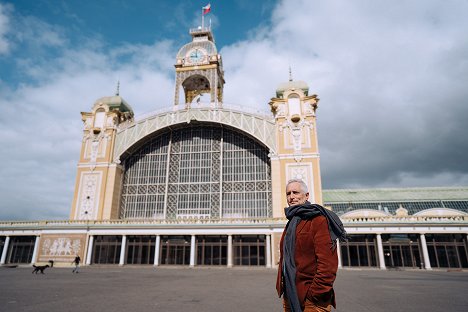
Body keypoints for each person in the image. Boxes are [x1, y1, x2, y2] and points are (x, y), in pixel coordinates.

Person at [276, 179, 347, 312]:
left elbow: (328, 264)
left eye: (295, 192)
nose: (291, 197)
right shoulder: (292, 222)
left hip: (312, 299)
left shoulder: (318, 220)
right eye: (288, 193)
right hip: (290, 294)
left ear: (306, 195)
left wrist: (314, 294)